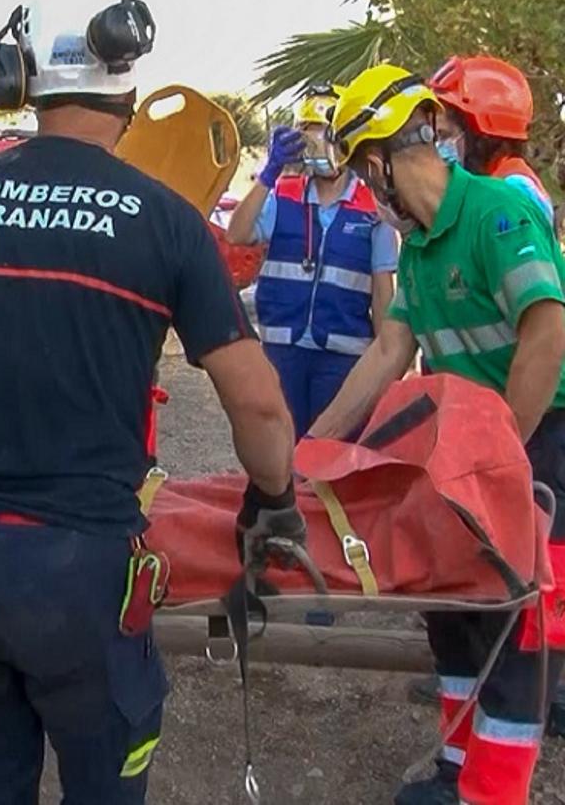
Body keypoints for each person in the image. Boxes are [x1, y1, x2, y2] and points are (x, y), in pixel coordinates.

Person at [0, 0, 302, 804]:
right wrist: (273, 498)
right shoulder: (165, 222)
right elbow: (260, 407)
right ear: (129, 104)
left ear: (22, 92)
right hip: (82, 575)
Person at [309, 63, 565, 805]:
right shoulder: (421, 247)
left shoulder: (496, 215)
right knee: (454, 605)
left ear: (378, 161)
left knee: (517, 625)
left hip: (539, 436)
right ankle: (457, 770)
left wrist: (503, 454)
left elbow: (545, 333)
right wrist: (313, 449)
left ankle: (491, 795)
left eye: (361, 173)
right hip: (474, 442)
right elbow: (388, 354)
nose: (364, 191)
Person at [429, 53, 565, 741]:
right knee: (484, 590)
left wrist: (503, 447)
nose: (435, 139)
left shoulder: (509, 200)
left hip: (531, 424)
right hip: (500, 422)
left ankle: (509, 737)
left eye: (445, 123)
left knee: (525, 595)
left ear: (475, 127)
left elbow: (542, 329)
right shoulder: (498, 192)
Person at [227, 84, 399, 438]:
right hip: (281, 348)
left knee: (329, 456)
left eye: (324, 134)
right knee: (280, 451)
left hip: (344, 354)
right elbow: (237, 234)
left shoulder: (373, 207)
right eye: (310, 134)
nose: (317, 144)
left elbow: (384, 291)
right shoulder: (281, 194)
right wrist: (267, 174)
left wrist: (388, 364)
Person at [429, 55, 555, 225]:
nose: (438, 147)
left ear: (481, 138)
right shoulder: (492, 187)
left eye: (445, 135)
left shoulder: (514, 194)